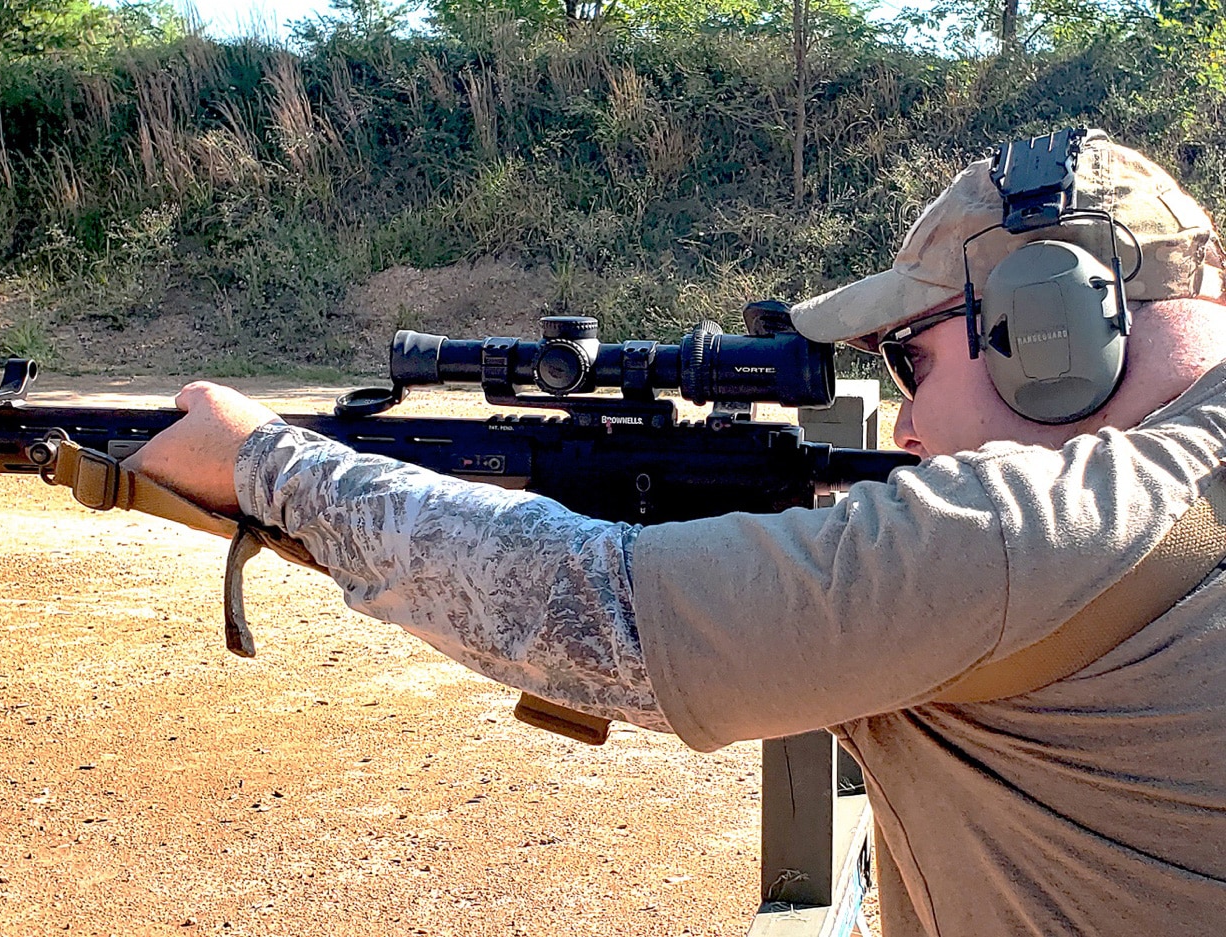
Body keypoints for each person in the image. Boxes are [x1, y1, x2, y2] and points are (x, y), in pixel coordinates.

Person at [124, 129, 1226, 936]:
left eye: (909, 356)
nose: (902, 417)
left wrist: (263, 465)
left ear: (1046, 325)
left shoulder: (1032, 530)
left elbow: (589, 614)